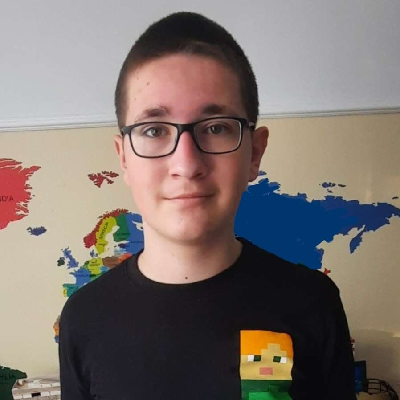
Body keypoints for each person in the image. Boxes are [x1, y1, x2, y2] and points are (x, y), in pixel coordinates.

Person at [59, 11, 356, 400]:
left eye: (216, 128)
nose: (186, 165)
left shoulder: (312, 302)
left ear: (255, 153)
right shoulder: (84, 317)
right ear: (124, 159)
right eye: (153, 130)